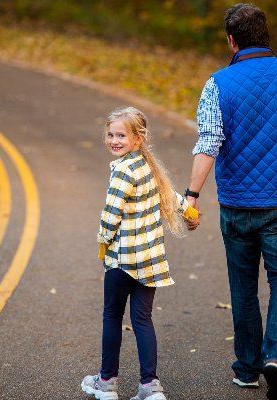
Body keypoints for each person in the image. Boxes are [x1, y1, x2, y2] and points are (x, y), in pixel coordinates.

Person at [185, 4, 277, 400]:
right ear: (266, 35)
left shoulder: (217, 84)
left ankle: (246, 368)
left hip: (237, 205)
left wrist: (191, 195)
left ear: (232, 40)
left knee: (242, 286)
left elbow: (208, 143)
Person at [81, 106, 199, 400]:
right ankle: (150, 385)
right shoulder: (148, 167)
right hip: (150, 262)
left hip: (122, 261)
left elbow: (111, 214)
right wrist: (190, 213)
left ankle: (106, 382)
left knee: (111, 316)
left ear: (139, 138)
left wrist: (102, 242)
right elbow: (171, 196)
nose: (114, 140)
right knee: (143, 320)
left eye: (121, 135)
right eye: (110, 134)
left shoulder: (122, 170)